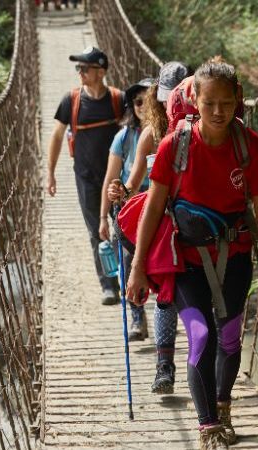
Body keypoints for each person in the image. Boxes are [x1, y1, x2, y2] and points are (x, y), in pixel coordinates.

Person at [126, 57, 258, 449]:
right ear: (194, 98)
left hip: (235, 256)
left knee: (230, 338)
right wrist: (138, 266)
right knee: (200, 335)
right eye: (209, 102)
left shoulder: (249, 148)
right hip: (187, 260)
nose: (218, 111)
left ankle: (223, 404)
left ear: (238, 100)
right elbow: (154, 207)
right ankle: (208, 428)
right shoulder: (173, 146)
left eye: (226, 103)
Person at [108, 61, 190, 395]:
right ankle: (164, 368)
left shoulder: (208, 130)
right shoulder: (151, 136)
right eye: (171, 99)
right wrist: (120, 193)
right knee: (167, 297)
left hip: (197, 226)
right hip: (162, 227)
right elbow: (131, 184)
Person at [47, 46, 124, 305]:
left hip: (118, 179)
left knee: (124, 229)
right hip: (87, 179)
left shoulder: (118, 100)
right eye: (78, 68)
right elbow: (57, 136)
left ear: (101, 72)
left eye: (85, 68)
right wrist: (50, 173)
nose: (80, 72)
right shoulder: (71, 101)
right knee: (97, 232)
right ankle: (109, 285)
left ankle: (127, 276)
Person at [99, 78, 154, 340]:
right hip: (131, 205)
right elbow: (111, 178)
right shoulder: (124, 136)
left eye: (148, 99)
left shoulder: (170, 132)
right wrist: (103, 217)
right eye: (137, 101)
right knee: (128, 262)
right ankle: (137, 319)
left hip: (160, 201)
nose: (143, 106)